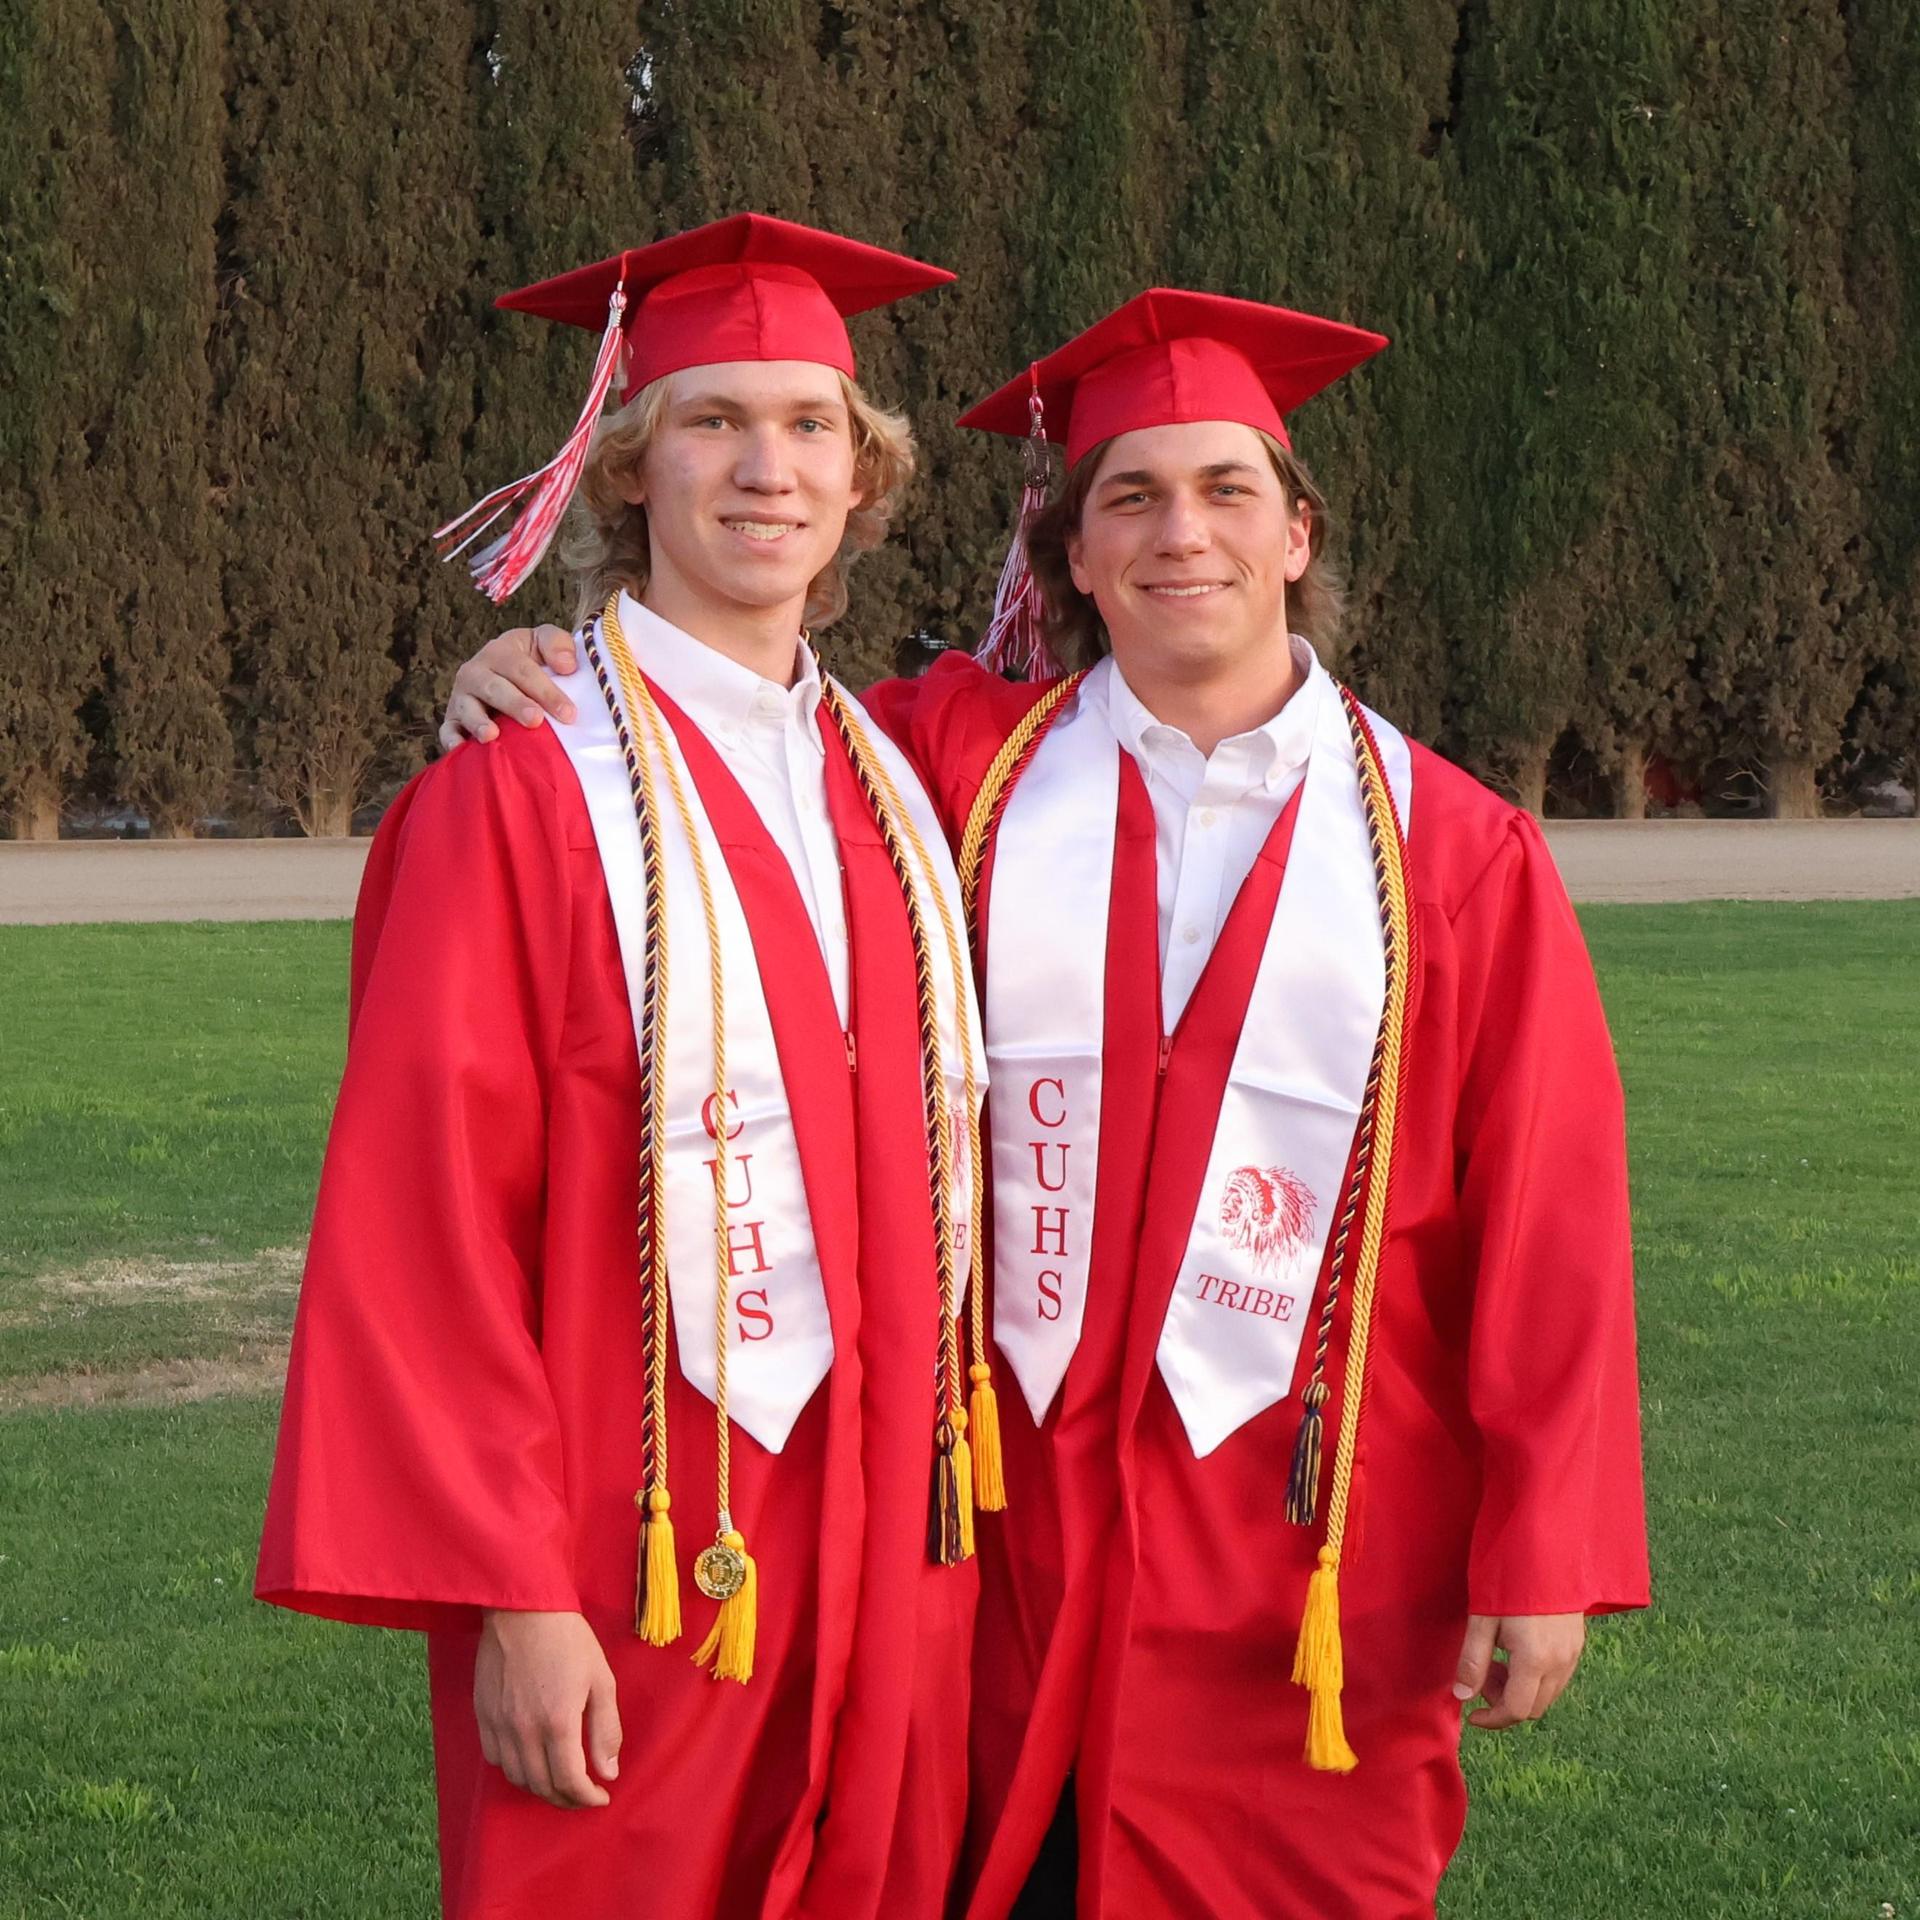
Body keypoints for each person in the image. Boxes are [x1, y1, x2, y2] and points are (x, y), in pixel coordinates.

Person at [441, 286, 1650, 1920]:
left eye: (1226, 490)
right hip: (1002, 1552)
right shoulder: (952, 772)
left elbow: (1552, 1226)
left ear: (1297, 532)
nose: (1181, 535)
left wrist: (1545, 1548)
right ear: (1069, 555)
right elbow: (707, 725)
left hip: (1309, 1549)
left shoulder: (1454, 853)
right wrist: (534, 668)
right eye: (1128, 497)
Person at [258, 213, 991, 1920]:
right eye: (712, 422)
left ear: (865, 477)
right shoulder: (519, 793)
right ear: (629, 467)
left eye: (809, 427)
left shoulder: (901, 784)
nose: (767, 470)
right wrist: (513, 1597)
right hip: (634, 1541)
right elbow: (424, 1232)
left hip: (891, 1535)